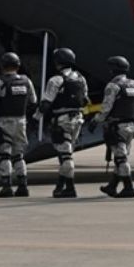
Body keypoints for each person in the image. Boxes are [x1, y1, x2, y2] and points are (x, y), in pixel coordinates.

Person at [90, 56, 134, 198]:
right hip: (131, 126)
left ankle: (129, 188)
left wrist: (96, 120)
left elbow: (106, 107)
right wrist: (132, 114)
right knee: (120, 155)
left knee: (121, 158)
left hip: (117, 126)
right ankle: (112, 186)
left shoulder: (113, 85)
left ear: (113, 69)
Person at [38, 48, 88, 198]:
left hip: (62, 120)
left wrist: (36, 118)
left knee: (66, 156)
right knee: (65, 152)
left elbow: (45, 104)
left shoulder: (56, 80)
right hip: (78, 119)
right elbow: (85, 100)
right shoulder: (81, 78)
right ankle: (60, 186)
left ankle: (70, 188)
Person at [0, 52, 37, 198]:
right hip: (21, 121)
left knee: (5, 155)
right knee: (19, 155)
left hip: (4, 122)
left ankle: (6, 186)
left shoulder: (0, 82)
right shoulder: (27, 81)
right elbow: (33, 102)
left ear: (2, 65)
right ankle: (23, 186)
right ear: (18, 64)